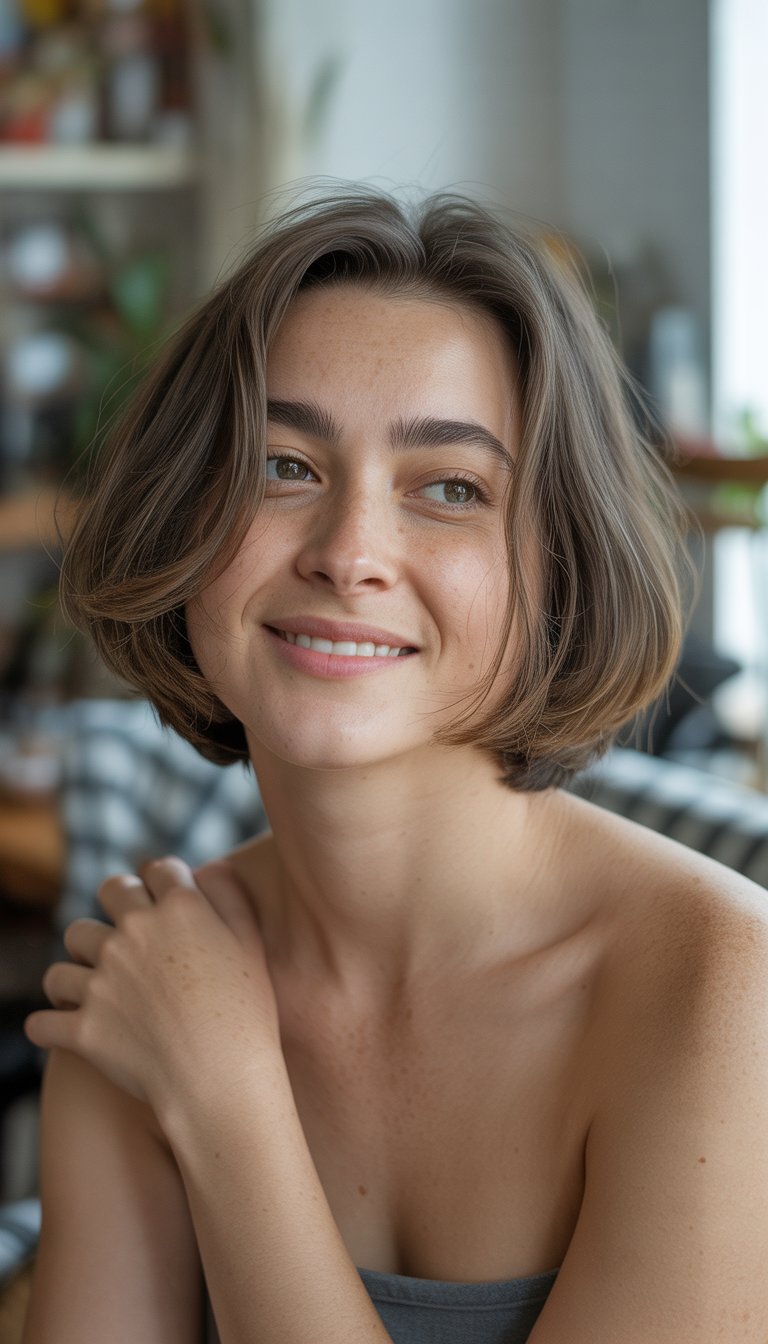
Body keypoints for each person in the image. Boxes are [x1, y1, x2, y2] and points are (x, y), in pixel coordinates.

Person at [20, 186, 768, 1344]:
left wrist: (229, 1110)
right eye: (282, 467)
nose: (350, 553)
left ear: (559, 571)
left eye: (452, 490)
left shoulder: (723, 991)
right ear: (182, 518)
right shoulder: (149, 988)